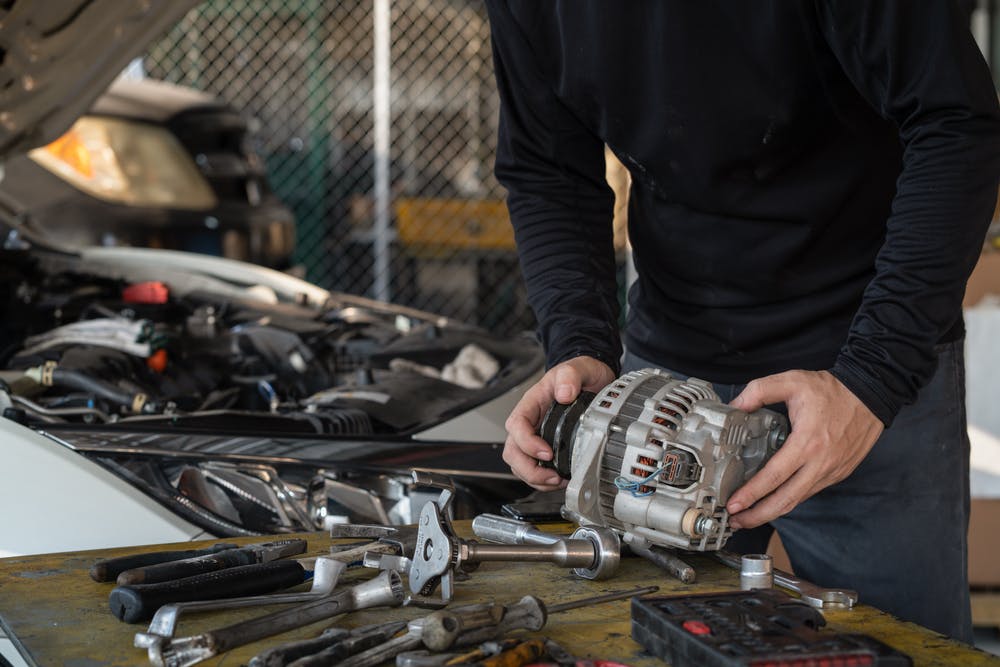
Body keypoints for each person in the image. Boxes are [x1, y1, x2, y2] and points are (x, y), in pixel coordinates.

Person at [484, 1, 1000, 642]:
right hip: (665, 383)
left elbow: (955, 124)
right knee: (640, 644)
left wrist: (872, 378)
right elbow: (547, 167)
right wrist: (578, 344)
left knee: (899, 650)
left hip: (861, 378)